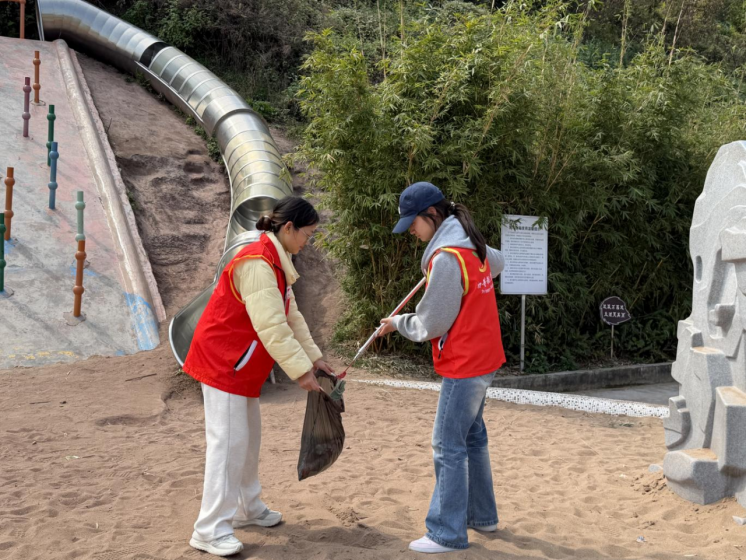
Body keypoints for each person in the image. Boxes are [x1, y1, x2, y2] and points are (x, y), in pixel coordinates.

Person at [182, 196, 335, 557]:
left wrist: (315, 359)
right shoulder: (257, 262)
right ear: (288, 228)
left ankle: (247, 508)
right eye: (307, 234)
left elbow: (291, 315)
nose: (308, 241)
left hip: (241, 364)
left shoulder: (276, 261)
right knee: (228, 444)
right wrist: (301, 372)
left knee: (247, 440)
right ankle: (209, 529)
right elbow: (272, 326)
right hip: (224, 362)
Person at [377, 181, 506, 554]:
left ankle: (446, 533)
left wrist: (398, 323)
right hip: (486, 357)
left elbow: (431, 323)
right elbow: (497, 262)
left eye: (413, 224)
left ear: (432, 215)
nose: (411, 232)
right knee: (472, 437)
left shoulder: (448, 257)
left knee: (447, 444)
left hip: (466, 363)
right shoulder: (473, 246)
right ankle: (482, 516)